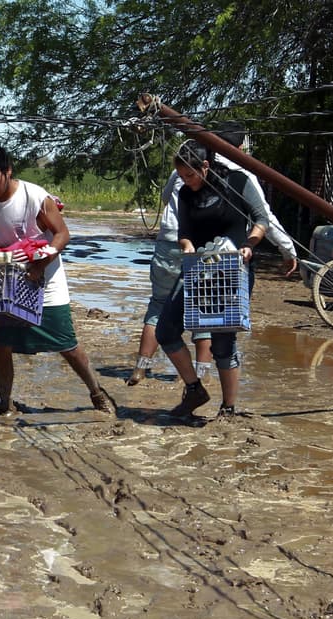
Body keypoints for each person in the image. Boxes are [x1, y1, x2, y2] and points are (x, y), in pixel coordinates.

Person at [0, 144, 116, 416]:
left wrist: (41, 264)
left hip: (46, 281)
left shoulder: (34, 197)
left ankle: (97, 392)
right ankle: (5, 403)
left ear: (8, 171)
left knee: (66, 344)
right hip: (8, 283)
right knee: (0, 346)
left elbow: (62, 235)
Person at [156, 140, 269, 419]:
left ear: (205, 166)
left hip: (233, 269)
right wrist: (187, 247)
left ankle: (228, 407)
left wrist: (250, 245)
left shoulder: (237, 182)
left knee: (222, 340)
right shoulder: (185, 194)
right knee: (166, 329)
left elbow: (261, 219)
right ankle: (194, 388)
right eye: (182, 176)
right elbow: (184, 232)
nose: (186, 181)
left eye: (190, 175)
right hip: (198, 269)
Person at [127, 169, 213, 385]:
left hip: (168, 241)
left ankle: (141, 368)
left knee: (158, 306)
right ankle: (201, 373)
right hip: (199, 243)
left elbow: (166, 198)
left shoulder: (178, 171)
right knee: (202, 309)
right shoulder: (223, 173)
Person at [211, 122, 298, 278]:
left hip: (186, 251)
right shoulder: (244, 176)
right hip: (229, 255)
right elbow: (264, 218)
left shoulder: (192, 166)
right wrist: (288, 251)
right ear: (240, 148)